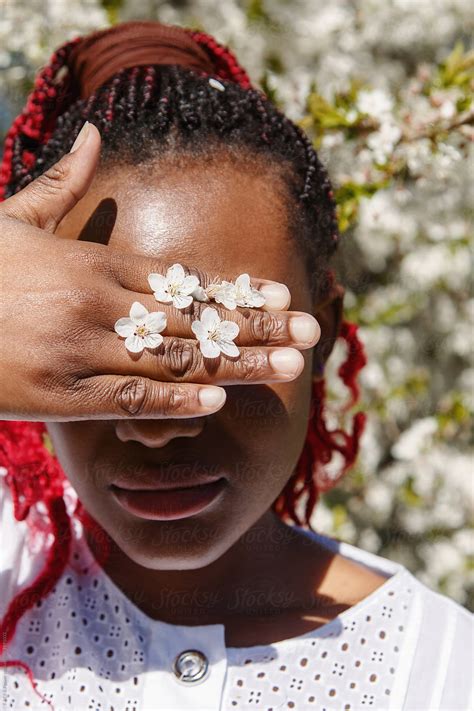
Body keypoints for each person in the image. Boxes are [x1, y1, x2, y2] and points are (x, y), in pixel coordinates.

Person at [0, 20, 472, 711]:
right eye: (102, 342)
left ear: (324, 335)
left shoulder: (444, 671)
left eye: (226, 349)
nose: (156, 426)